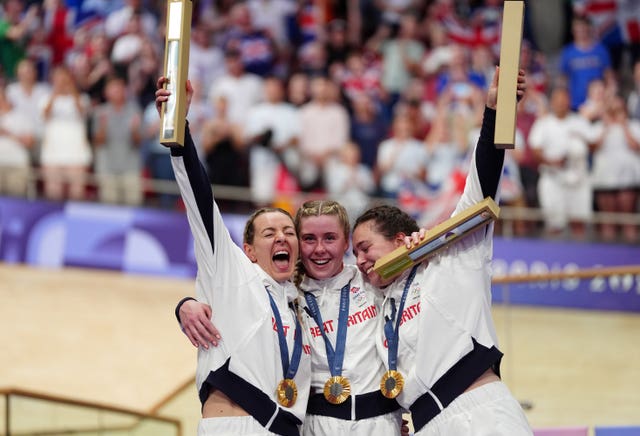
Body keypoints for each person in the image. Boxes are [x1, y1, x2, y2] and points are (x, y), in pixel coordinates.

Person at [350, 67, 532, 435]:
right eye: (355, 253)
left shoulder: (452, 256)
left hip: (480, 414)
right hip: (427, 425)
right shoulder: (376, 302)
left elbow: (481, 189)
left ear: (402, 239)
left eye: (365, 247)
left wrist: (494, 114)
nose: (359, 260)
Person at [155, 77, 311, 436]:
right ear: (249, 250)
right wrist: (179, 125)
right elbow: (198, 198)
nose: (282, 238)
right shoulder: (232, 271)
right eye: (269, 234)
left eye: (289, 233)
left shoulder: (305, 301)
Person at [178, 199, 407, 436]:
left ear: (346, 241)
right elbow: (231, 295)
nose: (319, 249)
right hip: (315, 425)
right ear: (298, 243)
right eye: (309, 239)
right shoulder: (285, 294)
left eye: (330, 238)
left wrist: (416, 245)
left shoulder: (371, 280)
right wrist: (186, 305)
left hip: (381, 422)